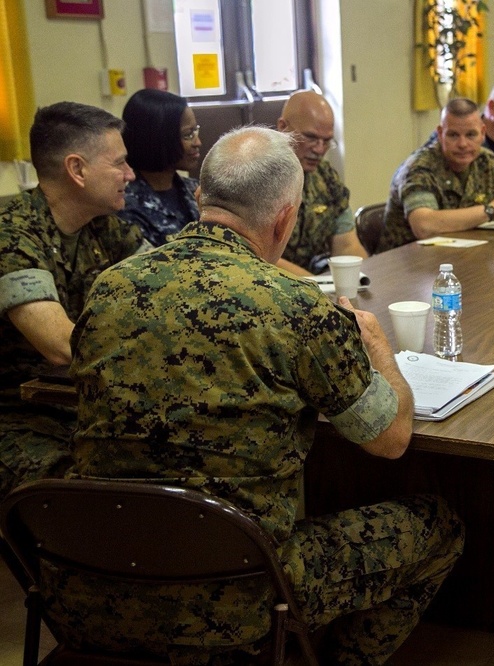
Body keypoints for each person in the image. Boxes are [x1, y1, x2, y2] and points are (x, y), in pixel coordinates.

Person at [66, 127, 464, 663]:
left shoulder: (111, 286)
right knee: (439, 527)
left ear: (202, 197)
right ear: (284, 218)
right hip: (236, 591)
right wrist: (379, 352)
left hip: (88, 574)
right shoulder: (297, 309)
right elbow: (391, 440)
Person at [0, 102, 147, 499]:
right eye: (119, 164)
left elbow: (171, 292)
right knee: (85, 500)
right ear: (77, 169)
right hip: (22, 416)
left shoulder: (106, 230)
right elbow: (59, 345)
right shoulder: (13, 235)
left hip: (89, 406)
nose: (130, 175)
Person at [377, 97, 494, 252]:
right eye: (453, 135)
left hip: (463, 257)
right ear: (440, 134)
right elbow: (424, 226)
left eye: (471, 135)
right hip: (408, 266)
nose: (463, 144)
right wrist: (491, 211)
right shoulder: (419, 168)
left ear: (482, 133)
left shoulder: (487, 162)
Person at [276, 90, 368, 274]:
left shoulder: (326, 177)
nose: (319, 149)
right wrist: (314, 287)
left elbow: (347, 244)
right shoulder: (256, 175)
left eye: (326, 141)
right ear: (283, 127)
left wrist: (364, 278)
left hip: (316, 284)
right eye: (310, 138)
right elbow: (253, 254)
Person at [119, 89, 201, 246]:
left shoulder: (194, 189)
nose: (197, 143)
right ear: (158, 138)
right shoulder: (127, 206)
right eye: (188, 135)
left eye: (195, 131)